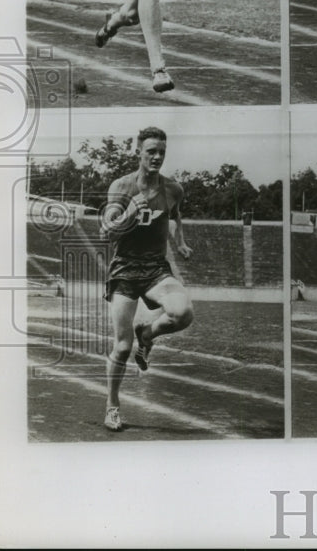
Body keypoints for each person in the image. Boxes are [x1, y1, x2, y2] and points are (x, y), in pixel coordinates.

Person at [99, 126, 194, 431]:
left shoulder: (173, 189)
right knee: (123, 347)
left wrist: (178, 243)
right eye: (151, 151)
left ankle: (148, 334)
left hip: (155, 268)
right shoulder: (121, 187)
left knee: (183, 313)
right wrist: (128, 214)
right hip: (124, 269)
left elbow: (176, 214)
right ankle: (112, 407)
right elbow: (106, 232)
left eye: (161, 152)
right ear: (138, 151)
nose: (157, 156)